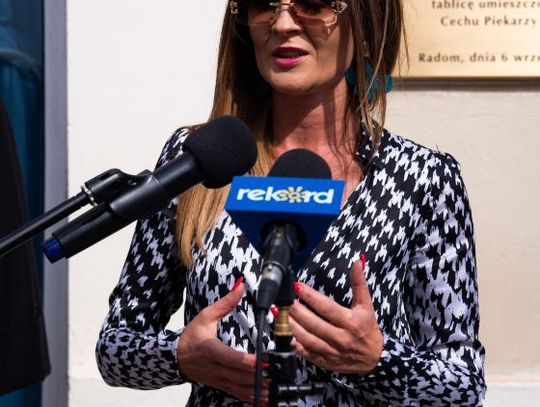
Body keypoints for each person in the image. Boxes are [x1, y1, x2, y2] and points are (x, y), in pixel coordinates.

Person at [96, 1, 486, 405]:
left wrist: (377, 361)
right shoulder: (202, 159)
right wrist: (179, 357)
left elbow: (464, 384)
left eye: (313, 4)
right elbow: (115, 347)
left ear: (365, 23)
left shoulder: (422, 178)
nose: (283, 23)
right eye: (263, 4)